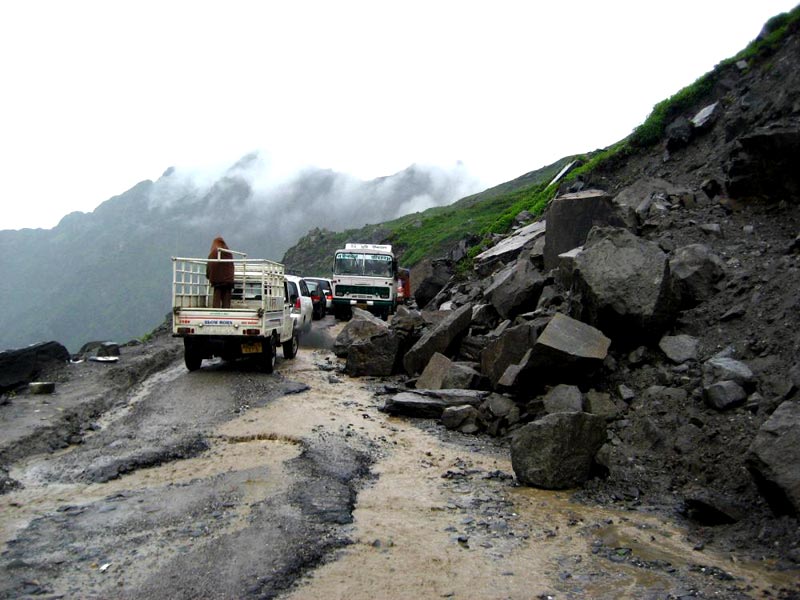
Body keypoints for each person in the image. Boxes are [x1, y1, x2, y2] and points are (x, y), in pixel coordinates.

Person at [206, 236, 234, 308]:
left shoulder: (212, 254)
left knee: (216, 299)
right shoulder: (228, 253)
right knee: (226, 300)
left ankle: (216, 314)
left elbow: (209, 267)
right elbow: (231, 266)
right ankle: (226, 313)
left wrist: (208, 276)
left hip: (217, 281)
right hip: (228, 281)